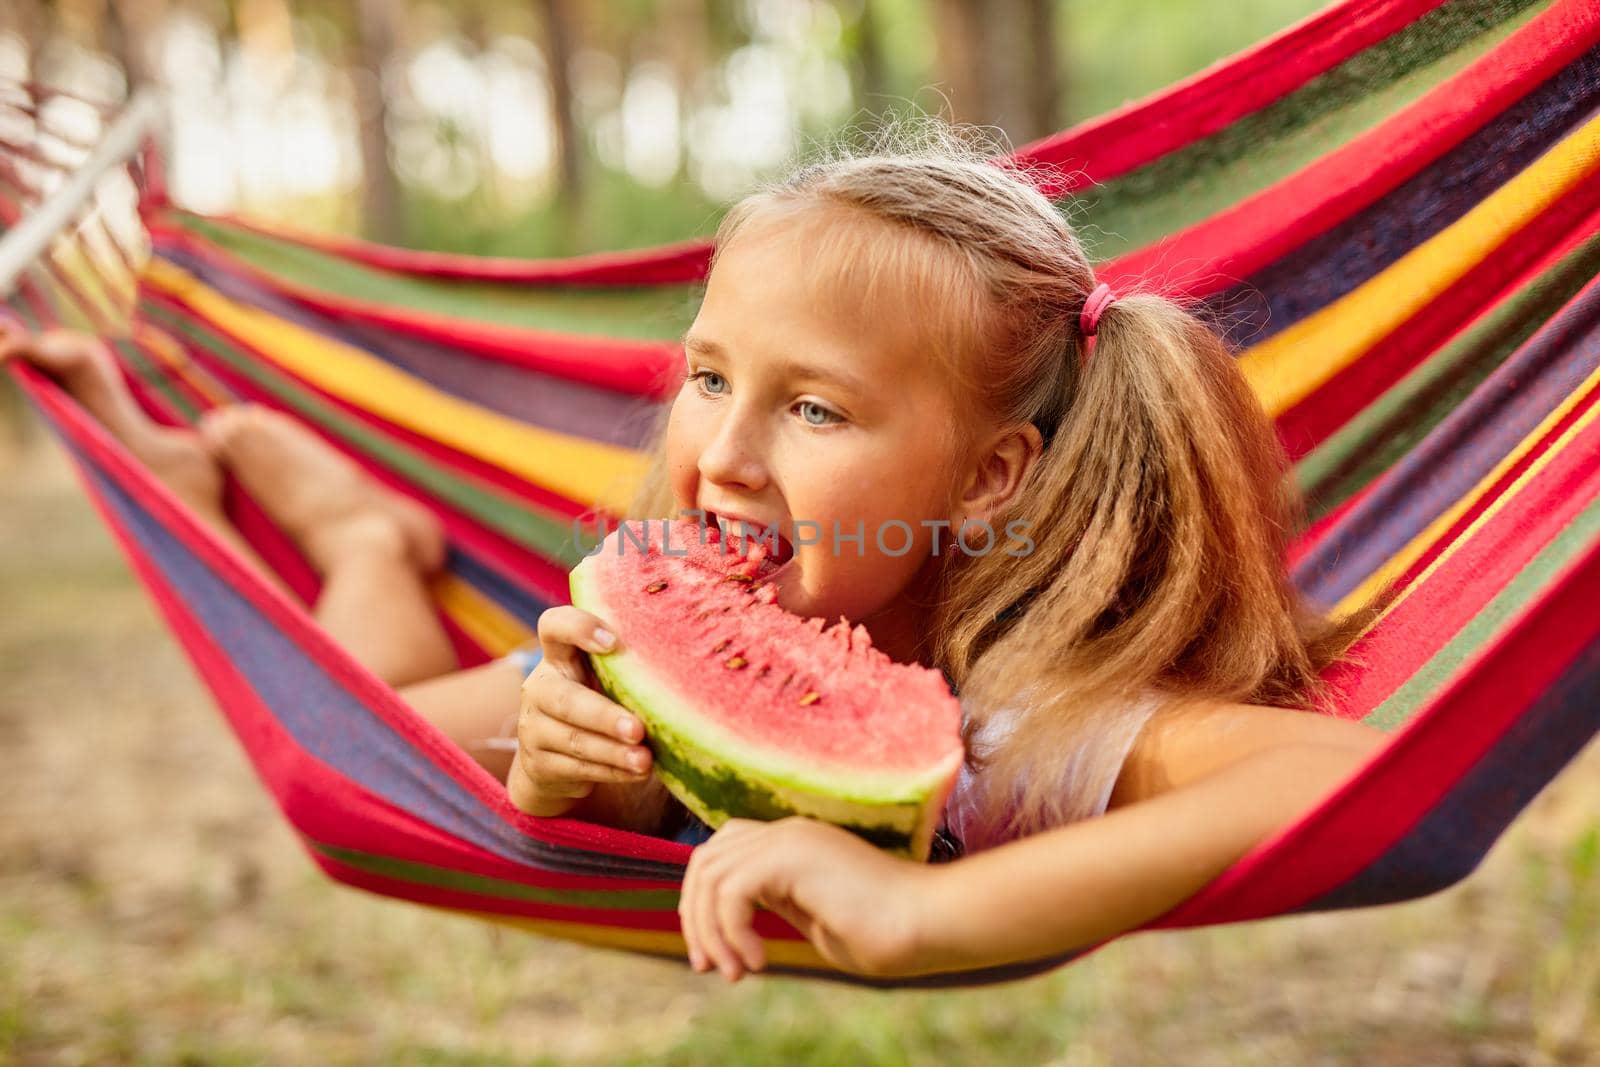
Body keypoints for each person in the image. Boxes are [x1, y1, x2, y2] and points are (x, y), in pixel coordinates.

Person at [2, 117, 1395, 985]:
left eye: (811, 407)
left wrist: (930, 919)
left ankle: (361, 537)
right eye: (708, 376)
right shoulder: (676, 590)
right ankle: (370, 541)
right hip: (642, 655)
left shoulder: (1035, 716)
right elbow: (365, 769)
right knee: (346, 752)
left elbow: (1344, 774)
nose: (721, 452)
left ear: (988, 478)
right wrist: (570, 784)